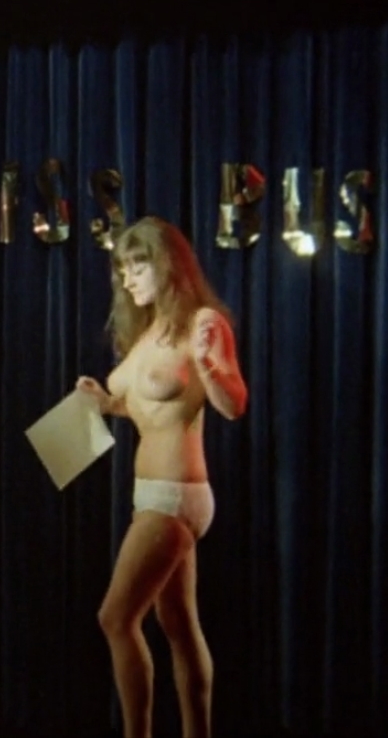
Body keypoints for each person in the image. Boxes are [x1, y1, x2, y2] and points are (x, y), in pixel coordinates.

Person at [75, 216, 248, 738]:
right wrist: (105, 404)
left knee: (115, 618)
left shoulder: (203, 323)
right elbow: (150, 410)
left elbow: (234, 405)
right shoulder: (151, 329)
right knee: (177, 624)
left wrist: (210, 366)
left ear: (168, 265)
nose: (127, 278)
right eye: (122, 268)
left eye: (137, 265)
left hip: (175, 497)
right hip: (153, 496)